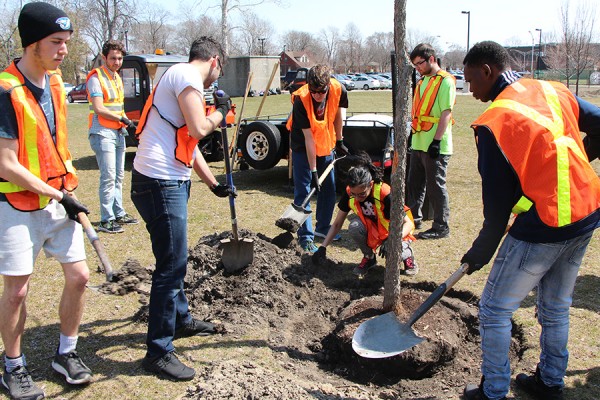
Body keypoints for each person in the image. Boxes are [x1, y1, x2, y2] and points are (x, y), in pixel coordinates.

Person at [460, 41, 600, 400]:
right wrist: (582, 158)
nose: (470, 89)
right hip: (586, 212)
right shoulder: (553, 90)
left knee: (493, 309)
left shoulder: (495, 122)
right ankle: (551, 382)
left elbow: (498, 205)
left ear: (488, 71)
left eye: (471, 80)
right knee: (555, 306)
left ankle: (493, 391)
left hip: (546, 225)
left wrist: (481, 251)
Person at [0, 3, 94, 399]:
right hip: (16, 206)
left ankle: (66, 353)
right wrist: (58, 194)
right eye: (56, 43)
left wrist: (65, 191)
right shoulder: (6, 89)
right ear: (32, 43)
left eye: (66, 43)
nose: (63, 51)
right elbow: (6, 164)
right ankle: (13, 366)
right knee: (18, 291)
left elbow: (53, 147)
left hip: (59, 198)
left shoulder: (56, 84)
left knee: (80, 277)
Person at [131, 36, 235, 381]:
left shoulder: (177, 77)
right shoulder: (188, 76)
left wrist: (213, 183)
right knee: (171, 267)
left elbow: (187, 144)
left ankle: (181, 320)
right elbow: (199, 128)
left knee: (174, 259)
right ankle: (159, 352)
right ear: (214, 60)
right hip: (159, 183)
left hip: (164, 180)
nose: (216, 81)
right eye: (218, 73)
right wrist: (222, 111)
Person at [312, 153, 418, 277]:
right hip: (375, 230)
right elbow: (337, 224)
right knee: (354, 227)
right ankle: (369, 257)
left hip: (396, 231)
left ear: (370, 185)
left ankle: (407, 256)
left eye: (361, 194)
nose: (357, 198)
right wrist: (323, 247)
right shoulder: (349, 193)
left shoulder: (384, 192)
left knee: (393, 252)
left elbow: (408, 223)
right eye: (353, 194)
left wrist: (392, 239)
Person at [286, 64, 349, 253]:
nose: (316, 95)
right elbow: (308, 139)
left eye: (321, 91)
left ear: (328, 86)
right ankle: (305, 237)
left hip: (326, 141)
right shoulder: (301, 99)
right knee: (304, 189)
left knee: (328, 187)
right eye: (313, 91)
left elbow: (338, 114)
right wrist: (313, 170)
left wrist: (340, 139)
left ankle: (323, 227)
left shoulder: (339, 89)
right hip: (302, 145)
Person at [86, 40, 138, 233]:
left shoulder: (116, 77)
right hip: (102, 132)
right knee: (108, 177)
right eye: (113, 58)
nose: (117, 62)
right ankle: (106, 219)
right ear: (104, 57)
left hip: (117, 132)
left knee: (118, 176)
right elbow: (99, 108)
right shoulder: (96, 77)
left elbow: (117, 104)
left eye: (119, 58)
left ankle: (118, 213)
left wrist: (123, 122)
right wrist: (123, 119)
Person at [407, 43, 455, 239]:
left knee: (436, 186)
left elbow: (446, 113)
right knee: (414, 184)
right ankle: (413, 219)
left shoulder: (446, 81)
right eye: (415, 64)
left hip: (435, 143)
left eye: (420, 63)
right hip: (418, 140)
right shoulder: (422, 81)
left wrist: (436, 141)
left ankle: (441, 226)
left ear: (431, 59)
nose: (417, 67)